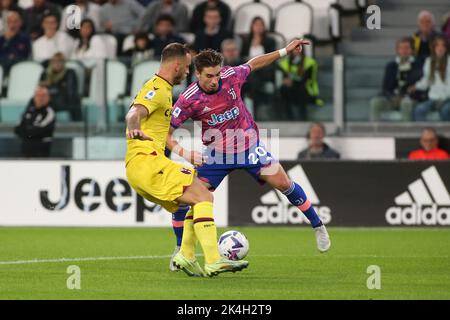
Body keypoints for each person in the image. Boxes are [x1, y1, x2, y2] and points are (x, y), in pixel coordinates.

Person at [167, 40, 331, 271]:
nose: (215, 80)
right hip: (216, 155)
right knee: (184, 200)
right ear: (197, 73)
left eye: (216, 75)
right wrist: (184, 152)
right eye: (209, 76)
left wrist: (284, 50)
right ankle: (180, 250)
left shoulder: (231, 76)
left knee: (284, 182)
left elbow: (254, 64)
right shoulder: (188, 99)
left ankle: (318, 226)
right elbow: (167, 133)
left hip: (249, 147)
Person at [125, 42, 248, 277]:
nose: (188, 72)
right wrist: (134, 128)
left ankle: (187, 256)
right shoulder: (158, 89)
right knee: (203, 195)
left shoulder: (161, 88)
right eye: (188, 67)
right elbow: (134, 112)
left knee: (198, 196)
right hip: (148, 163)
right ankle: (213, 260)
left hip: (143, 167)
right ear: (178, 65)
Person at [369, 37, 423, 122]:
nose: (404, 51)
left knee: (406, 104)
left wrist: (405, 96)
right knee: (375, 102)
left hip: (410, 99)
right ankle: (375, 132)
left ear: (412, 50)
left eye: (407, 48)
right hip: (393, 99)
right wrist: (392, 97)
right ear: (397, 50)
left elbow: (419, 87)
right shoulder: (391, 66)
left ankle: (406, 133)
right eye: (401, 48)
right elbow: (386, 88)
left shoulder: (419, 66)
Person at [241, 16, 276, 120]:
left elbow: (272, 57)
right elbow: (242, 58)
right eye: (256, 25)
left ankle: (251, 97)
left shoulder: (270, 41)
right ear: (252, 26)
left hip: (264, 70)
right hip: (250, 71)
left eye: (261, 25)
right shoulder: (246, 41)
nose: (258, 27)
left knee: (253, 78)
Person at [277, 40, 321, 120]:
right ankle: (287, 118)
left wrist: (292, 81)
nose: (297, 50)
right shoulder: (284, 63)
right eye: (294, 47)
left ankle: (302, 118)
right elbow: (283, 78)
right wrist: (287, 82)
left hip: (306, 91)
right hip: (290, 91)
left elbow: (307, 79)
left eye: (299, 47)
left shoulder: (310, 62)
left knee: (300, 89)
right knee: (283, 89)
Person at [410, 35, 450, 121]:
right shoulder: (429, 61)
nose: (440, 48)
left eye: (443, 45)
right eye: (437, 45)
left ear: (446, 48)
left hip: (448, 98)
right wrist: (416, 86)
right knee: (419, 110)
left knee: (446, 111)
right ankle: (425, 134)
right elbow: (426, 81)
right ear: (434, 48)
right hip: (433, 98)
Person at [14, 85, 56, 158]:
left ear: (48, 97)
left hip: (41, 151)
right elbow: (17, 129)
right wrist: (29, 132)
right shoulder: (28, 111)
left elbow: (41, 130)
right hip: (25, 150)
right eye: (38, 95)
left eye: (43, 95)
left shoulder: (49, 112)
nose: (40, 98)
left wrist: (28, 132)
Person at [40, 52, 81, 121]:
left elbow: (71, 90)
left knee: (75, 100)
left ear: (63, 63)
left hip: (64, 100)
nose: (57, 64)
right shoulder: (46, 73)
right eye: (55, 61)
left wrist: (52, 85)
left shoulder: (69, 73)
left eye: (60, 61)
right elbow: (40, 85)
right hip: (49, 99)